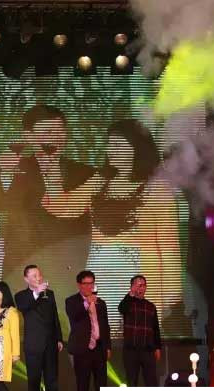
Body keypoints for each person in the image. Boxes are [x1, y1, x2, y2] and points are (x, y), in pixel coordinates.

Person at [0, 105, 106, 304]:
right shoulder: (14, 167)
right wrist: (6, 174)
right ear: (29, 136)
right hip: (21, 267)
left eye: (60, 131)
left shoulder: (84, 173)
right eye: (48, 132)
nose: (56, 138)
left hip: (65, 268)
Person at [87, 119, 182, 327]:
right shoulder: (99, 183)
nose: (111, 150)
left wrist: (171, 297)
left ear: (137, 148)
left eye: (118, 144)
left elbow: (168, 248)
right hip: (101, 276)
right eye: (109, 144)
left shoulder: (158, 189)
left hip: (138, 276)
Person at [14, 265, 63, 391]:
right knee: (34, 380)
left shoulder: (49, 294)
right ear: (26, 279)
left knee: (52, 380)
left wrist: (59, 338)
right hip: (33, 345)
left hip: (50, 343)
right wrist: (36, 293)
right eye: (34, 276)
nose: (38, 278)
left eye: (39, 275)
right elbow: (24, 307)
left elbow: (54, 317)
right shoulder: (21, 296)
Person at [65, 271, 111, 391]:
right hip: (82, 348)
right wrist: (86, 303)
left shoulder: (101, 303)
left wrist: (108, 347)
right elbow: (74, 316)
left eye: (92, 283)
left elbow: (105, 326)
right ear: (79, 285)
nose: (89, 287)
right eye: (86, 283)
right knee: (82, 383)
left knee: (101, 383)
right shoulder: (71, 301)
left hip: (99, 348)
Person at [118, 275, 162, 387]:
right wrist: (130, 294)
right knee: (131, 382)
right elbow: (121, 308)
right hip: (131, 350)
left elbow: (155, 328)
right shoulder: (128, 303)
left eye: (143, 285)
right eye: (138, 285)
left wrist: (157, 347)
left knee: (151, 382)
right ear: (132, 287)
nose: (141, 288)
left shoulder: (151, 306)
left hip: (148, 350)